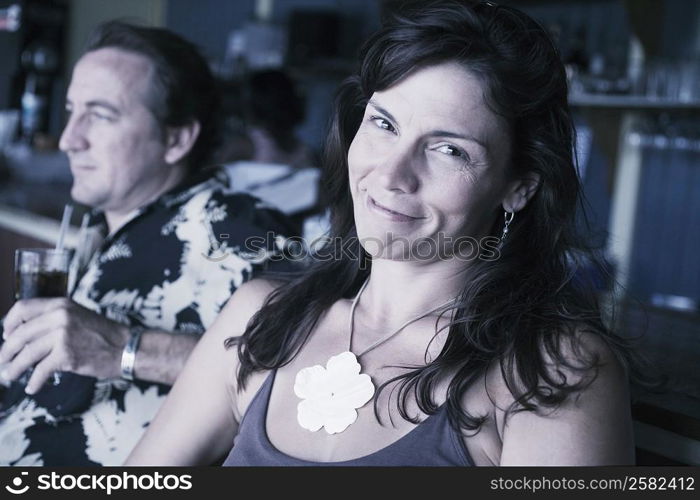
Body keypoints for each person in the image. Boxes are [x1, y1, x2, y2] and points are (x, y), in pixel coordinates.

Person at [127, 1, 638, 466]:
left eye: (449, 150)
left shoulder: (550, 373)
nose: (392, 176)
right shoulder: (263, 315)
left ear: (518, 187)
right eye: (384, 125)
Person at [0, 21, 293, 466]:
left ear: (176, 139)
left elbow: (297, 378)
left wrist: (124, 349)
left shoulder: (235, 226)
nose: (68, 140)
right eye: (71, 110)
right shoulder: (101, 228)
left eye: (99, 115)